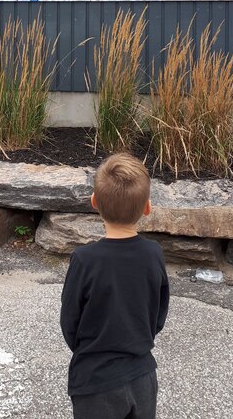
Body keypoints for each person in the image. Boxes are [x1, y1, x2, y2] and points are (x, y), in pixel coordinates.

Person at [60, 152, 169, 419]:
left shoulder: (84, 260)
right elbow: (159, 313)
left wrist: (87, 351)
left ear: (94, 202)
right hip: (142, 374)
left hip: (96, 380)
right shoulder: (154, 253)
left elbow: (70, 320)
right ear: (147, 207)